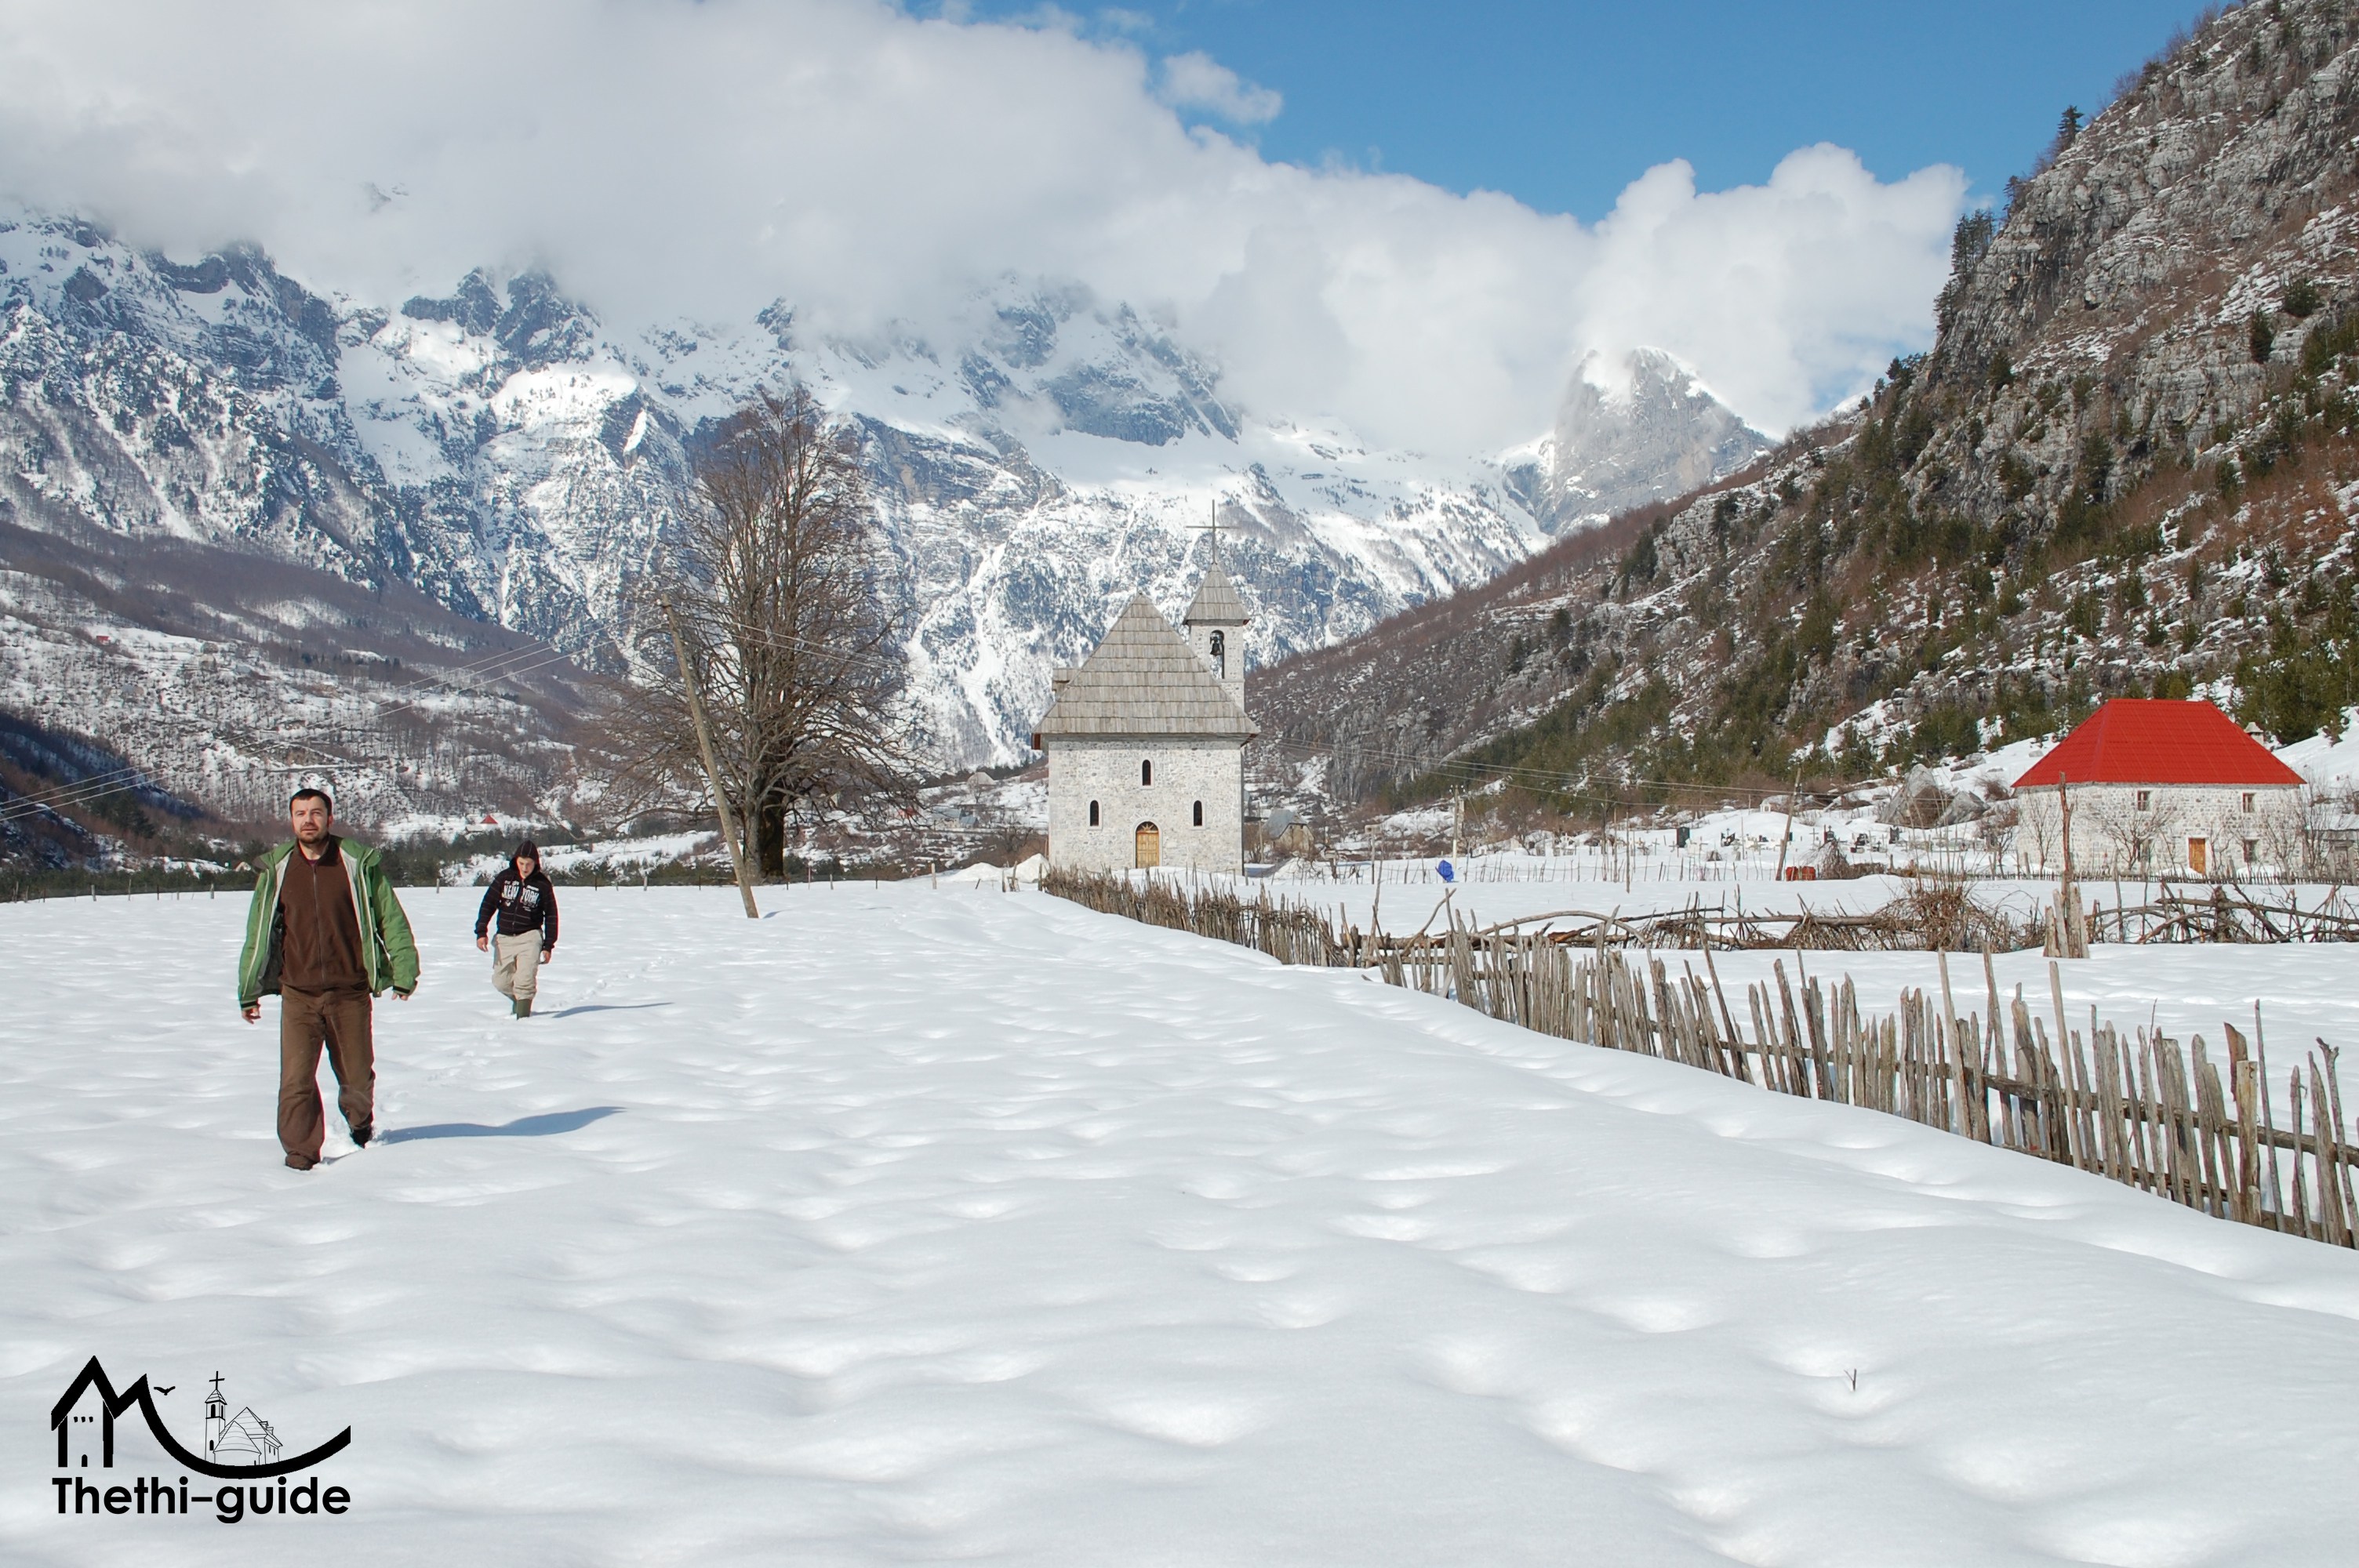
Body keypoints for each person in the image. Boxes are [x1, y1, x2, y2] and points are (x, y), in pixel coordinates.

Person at [236, 788, 419, 1171]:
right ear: (291, 820)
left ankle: (360, 1121)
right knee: (295, 1082)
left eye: (316, 813)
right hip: (298, 995)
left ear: (329, 819)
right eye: (300, 813)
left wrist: (403, 969)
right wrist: (248, 991)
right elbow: (257, 934)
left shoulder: (356, 864)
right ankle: (301, 1152)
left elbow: (391, 919)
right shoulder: (278, 869)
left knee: (355, 1079)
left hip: (349, 992)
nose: (308, 820)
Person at [475, 840, 558, 1018]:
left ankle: (523, 1021)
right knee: (501, 982)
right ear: (515, 861)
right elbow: (488, 904)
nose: (525, 867)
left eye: (529, 864)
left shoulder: (542, 884)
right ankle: (519, 1001)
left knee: (524, 980)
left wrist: (548, 945)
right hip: (504, 938)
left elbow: (551, 915)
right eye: (521, 863)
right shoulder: (504, 878)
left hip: (530, 936)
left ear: (536, 863)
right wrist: (481, 932)